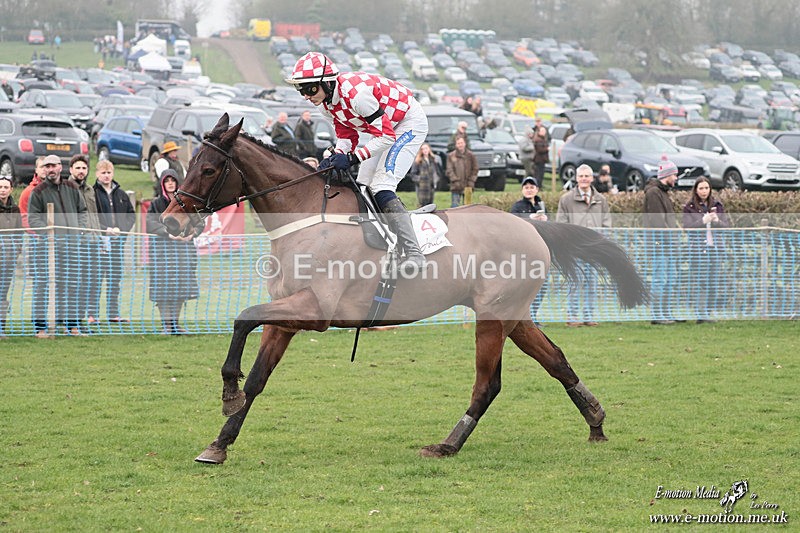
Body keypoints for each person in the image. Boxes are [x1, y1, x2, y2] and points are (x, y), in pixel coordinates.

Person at [286, 51, 429, 274]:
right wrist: (336, 155)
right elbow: (346, 136)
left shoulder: (357, 96)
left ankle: (414, 253)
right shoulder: (326, 105)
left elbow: (387, 136)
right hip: (385, 129)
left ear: (327, 83)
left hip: (407, 123)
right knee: (362, 185)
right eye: (300, 89)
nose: (305, 95)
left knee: (381, 185)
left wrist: (352, 158)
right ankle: (377, 245)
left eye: (310, 88)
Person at [27, 154, 88, 336]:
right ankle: (40, 327)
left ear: (61, 167)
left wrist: (80, 228)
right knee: (43, 286)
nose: (50, 169)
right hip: (48, 248)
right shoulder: (38, 192)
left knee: (72, 285)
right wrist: (48, 232)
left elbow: (82, 210)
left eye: (53, 166)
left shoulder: (72, 187)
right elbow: (33, 218)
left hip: (72, 246)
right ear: (43, 170)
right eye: (47, 166)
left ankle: (72, 325)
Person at [556, 164, 611, 327]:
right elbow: (561, 224)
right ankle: (572, 317)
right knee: (575, 283)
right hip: (574, 250)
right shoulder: (566, 199)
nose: (584, 179)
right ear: (576, 179)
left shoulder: (601, 200)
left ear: (592, 178)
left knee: (592, 284)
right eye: (581, 176)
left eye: (587, 176)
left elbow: (607, 224)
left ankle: (589, 316)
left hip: (594, 250)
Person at [147, 169, 200, 334]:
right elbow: (149, 223)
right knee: (163, 289)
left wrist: (192, 234)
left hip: (182, 253)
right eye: (167, 180)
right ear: (162, 184)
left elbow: (199, 222)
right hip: (162, 253)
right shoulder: (156, 203)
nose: (170, 183)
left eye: (173, 180)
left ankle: (175, 325)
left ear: (178, 182)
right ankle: (166, 326)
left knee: (180, 288)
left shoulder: (186, 202)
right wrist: (167, 233)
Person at [93, 160, 135, 324]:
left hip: (117, 244)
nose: (106, 175)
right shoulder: (93, 193)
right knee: (96, 279)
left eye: (109, 172)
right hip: (99, 244)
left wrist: (120, 229)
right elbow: (91, 217)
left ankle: (113, 313)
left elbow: (131, 215)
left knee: (114, 279)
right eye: (103, 172)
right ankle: (93, 314)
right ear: (97, 174)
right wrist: (105, 229)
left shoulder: (121, 194)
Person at [682, 176, 729, 323]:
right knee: (701, 282)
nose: (704, 191)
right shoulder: (689, 207)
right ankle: (701, 314)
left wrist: (716, 221)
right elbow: (687, 228)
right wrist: (702, 221)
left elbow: (726, 226)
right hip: (698, 250)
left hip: (715, 249)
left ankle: (708, 313)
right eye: (701, 188)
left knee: (713, 282)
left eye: (706, 188)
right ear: (696, 190)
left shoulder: (718, 205)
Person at [68, 155, 102, 331]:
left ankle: (81, 320)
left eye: (84, 168)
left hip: (93, 242)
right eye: (78, 168)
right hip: (76, 244)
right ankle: (71, 323)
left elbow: (94, 215)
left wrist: (100, 237)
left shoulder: (90, 189)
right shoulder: (66, 189)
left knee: (90, 283)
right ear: (71, 170)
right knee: (75, 284)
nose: (81, 171)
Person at [644, 157, 680, 325]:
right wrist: (671, 237)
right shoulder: (653, 193)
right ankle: (657, 314)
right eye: (675, 175)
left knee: (670, 279)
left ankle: (667, 312)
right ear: (668, 175)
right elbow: (658, 222)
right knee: (660, 279)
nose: (676, 178)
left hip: (668, 245)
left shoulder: (663, 192)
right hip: (660, 244)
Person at [511, 176, 548, 326]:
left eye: (532, 187)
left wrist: (546, 220)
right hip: (524, 253)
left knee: (542, 285)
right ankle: (525, 317)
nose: (529, 189)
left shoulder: (542, 205)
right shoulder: (517, 207)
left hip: (541, 251)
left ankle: (533, 315)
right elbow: (512, 224)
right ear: (522, 190)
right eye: (526, 187)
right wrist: (529, 219)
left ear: (537, 189)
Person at [0, 176, 21, 337]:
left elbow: (19, 233)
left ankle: (1, 327)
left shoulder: (15, 209)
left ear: (11, 189)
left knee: (3, 293)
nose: (3, 190)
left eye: (6, 187)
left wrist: (16, 251)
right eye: (0, 187)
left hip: (8, 258)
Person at [446, 136, 478, 208]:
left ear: (465, 143)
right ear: (456, 145)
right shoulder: (451, 156)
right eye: (458, 143)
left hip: (468, 185)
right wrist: (455, 180)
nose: (460, 145)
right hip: (456, 186)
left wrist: (471, 180)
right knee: (455, 206)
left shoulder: (471, 155)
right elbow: (449, 170)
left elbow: (475, 169)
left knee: (467, 207)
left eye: (461, 143)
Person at [408, 143, 441, 207]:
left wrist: (435, 180)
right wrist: (420, 180)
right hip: (421, 187)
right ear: (421, 151)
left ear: (429, 149)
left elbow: (437, 172)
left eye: (426, 148)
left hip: (431, 186)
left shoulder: (433, 160)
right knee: (422, 205)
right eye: (423, 149)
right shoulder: (418, 161)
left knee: (430, 204)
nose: (425, 150)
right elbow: (413, 174)